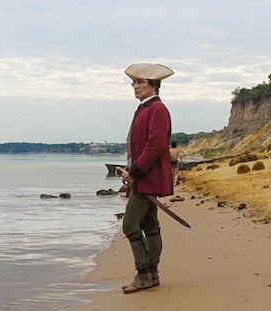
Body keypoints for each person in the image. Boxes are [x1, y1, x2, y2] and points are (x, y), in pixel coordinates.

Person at [121, 63, 174, 294]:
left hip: (147, 177)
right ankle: (151, 276)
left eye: (140, 82)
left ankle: (143, 275)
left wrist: (133, 174)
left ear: (154, 85)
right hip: (143, 177)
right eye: (134, 82)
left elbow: (155, 146)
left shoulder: (157, 109)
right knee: (150, 225)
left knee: (130, 226)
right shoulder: (144, 108)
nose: (135, 86)